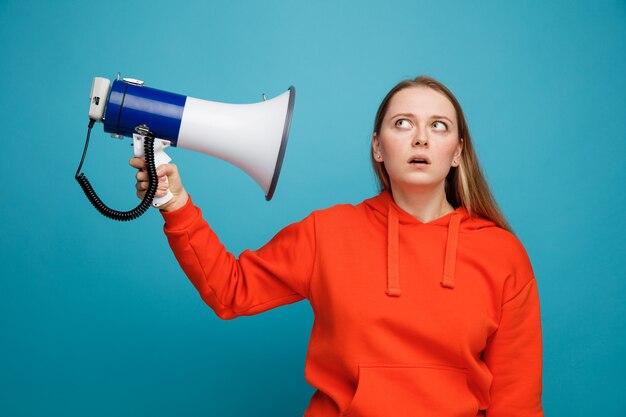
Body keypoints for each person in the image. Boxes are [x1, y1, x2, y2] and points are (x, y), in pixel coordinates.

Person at [130, 76, 544, 417]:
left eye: (438, 126)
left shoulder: (502, 254)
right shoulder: (326, 232)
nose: (420, 138)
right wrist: (174, 203)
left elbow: (517, 403)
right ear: (378, 147)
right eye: (403, 123)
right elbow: (230, 291)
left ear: (457, 153)